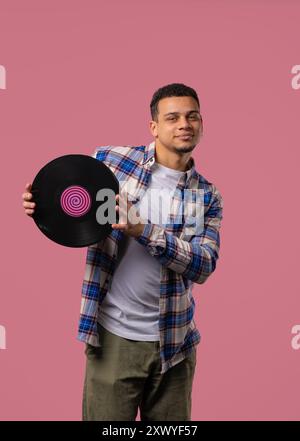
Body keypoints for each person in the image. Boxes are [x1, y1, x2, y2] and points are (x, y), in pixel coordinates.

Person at [22, 83, 224, 421]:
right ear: (154, 127)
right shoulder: (113, 161)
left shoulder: (207, 196)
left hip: (175, 344)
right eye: (172, 117)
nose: (184, 124)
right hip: (114, 338)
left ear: (202, 123)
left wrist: (142, 230)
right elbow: (71, 201)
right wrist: (40, 202)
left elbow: (203, 265)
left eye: (192, 116)